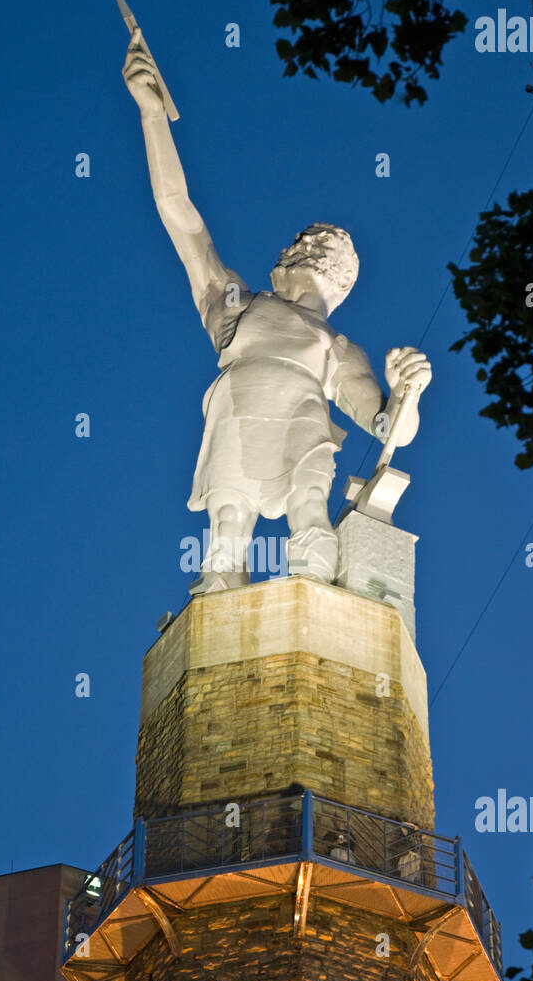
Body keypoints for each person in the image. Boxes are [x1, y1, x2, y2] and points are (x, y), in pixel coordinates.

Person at [121, 31, 432, 592]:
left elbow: (391, 430)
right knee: (229, 522)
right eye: (303, 240)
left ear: (328, 267)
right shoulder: (236, 302)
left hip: (304, 414)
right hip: (239, 404)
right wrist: (151, 116)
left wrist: (409, 389)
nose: (297, 246)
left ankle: (313, 597)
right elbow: (178, 213)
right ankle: (218, 600)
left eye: (309, 243)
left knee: (309, 504)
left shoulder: (339, 349)